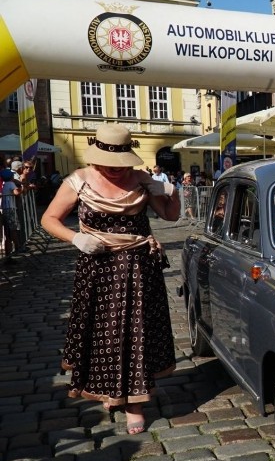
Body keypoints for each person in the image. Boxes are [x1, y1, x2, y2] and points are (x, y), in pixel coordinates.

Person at [40, 124, 181, 435]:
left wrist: (171, 191)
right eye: (107, 164)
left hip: (138, 269)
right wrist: (75, 238)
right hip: (98, 269)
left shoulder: (142, 181)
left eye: (119, 164)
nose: (114, 170)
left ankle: (135, 404)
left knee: (135, 332)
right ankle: (110, 389)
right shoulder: (78, 181)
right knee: (104, 333)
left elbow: (171, 216)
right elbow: (49, 219)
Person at [1, 167, 22, 262]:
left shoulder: (5, 184)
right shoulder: (10, 183)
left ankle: (10, 253)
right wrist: (21, 187)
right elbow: (16, 192)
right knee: (12, 229)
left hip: (6, 208)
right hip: (10, 209)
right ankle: (17, 246)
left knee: (9, 231)